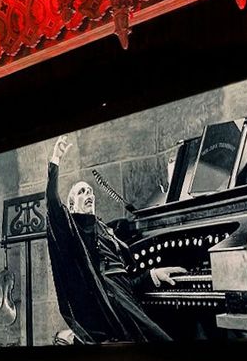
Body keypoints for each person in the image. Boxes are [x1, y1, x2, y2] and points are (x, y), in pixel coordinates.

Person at [45, 136, 182, 343]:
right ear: (71, 206)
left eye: (90, 191)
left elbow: (125, 283)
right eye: (81, 192)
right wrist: (55, 161)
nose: (88, 194)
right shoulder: (75, 229)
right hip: (107, 303)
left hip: (123, 297)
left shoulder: (105, 229)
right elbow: (53, 204)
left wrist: (153, 274)